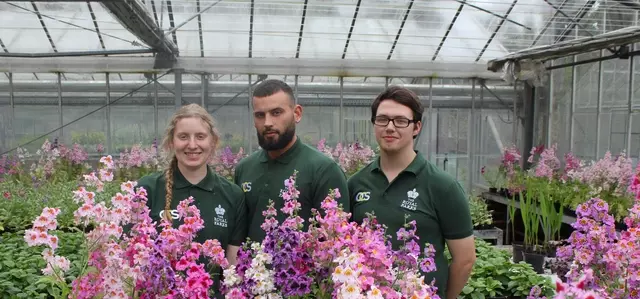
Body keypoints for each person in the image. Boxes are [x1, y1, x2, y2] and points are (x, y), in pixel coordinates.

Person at [347, 86, 476, 299]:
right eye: (382, 119)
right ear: (374, 125)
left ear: (416, 127)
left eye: (400, 121)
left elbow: (465, 259)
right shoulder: (356, 183)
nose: (390, 127)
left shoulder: (443, 186)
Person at [136, 104, 247, 285]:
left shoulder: (233, 195)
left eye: (200, 137)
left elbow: (232, 266)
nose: (192, 145)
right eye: (183, 137)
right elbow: (132, 256)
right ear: (172, 142)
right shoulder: (147, 190)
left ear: (213, 141)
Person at [234, 79, 350, 243]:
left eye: (276, 113)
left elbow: (336, 242)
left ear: (297, 113)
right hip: (251, 266)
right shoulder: (244, 169)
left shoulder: (323, 170)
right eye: (260, 115)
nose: (267, 123)